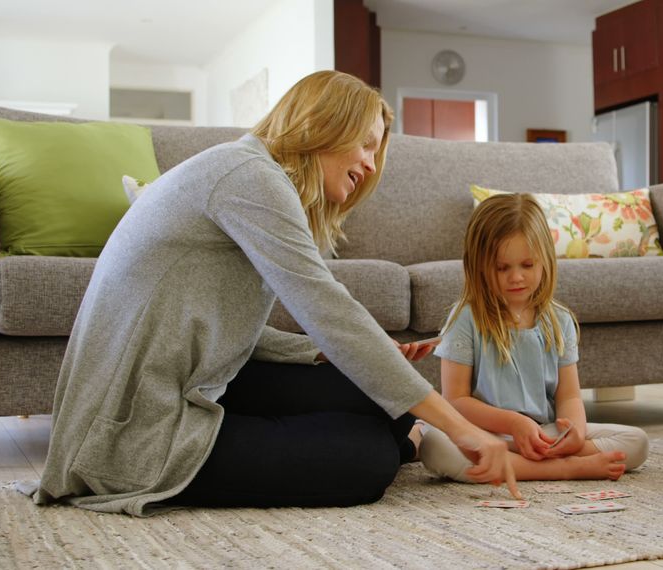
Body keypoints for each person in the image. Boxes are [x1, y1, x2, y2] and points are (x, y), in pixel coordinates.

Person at [30, 71, 519, 516]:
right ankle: (403, 445)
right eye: (366, 146)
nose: (370, 166)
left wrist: (322, 353)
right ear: (325, 123)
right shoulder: (248, 176)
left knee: (379, 399)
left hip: (187, 381)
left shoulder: (249, 172)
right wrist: (460, 426)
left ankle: (404, 440)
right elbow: (326, 307)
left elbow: (223, 321)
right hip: (130, 427)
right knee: (366, 461)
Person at [419, 193, 649, 482]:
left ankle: (527, 462)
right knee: (435, 446)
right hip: (485, 434)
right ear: (478, 264)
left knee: (637, 441)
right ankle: (564, 468)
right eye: (502, 267)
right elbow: (455, 401)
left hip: (544, 432)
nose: (516, 277)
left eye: (527, 265)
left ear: (545, 261)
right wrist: (514, 423)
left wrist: (575, 433)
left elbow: (569, 396)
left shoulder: (559, 320)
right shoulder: (465, 318)